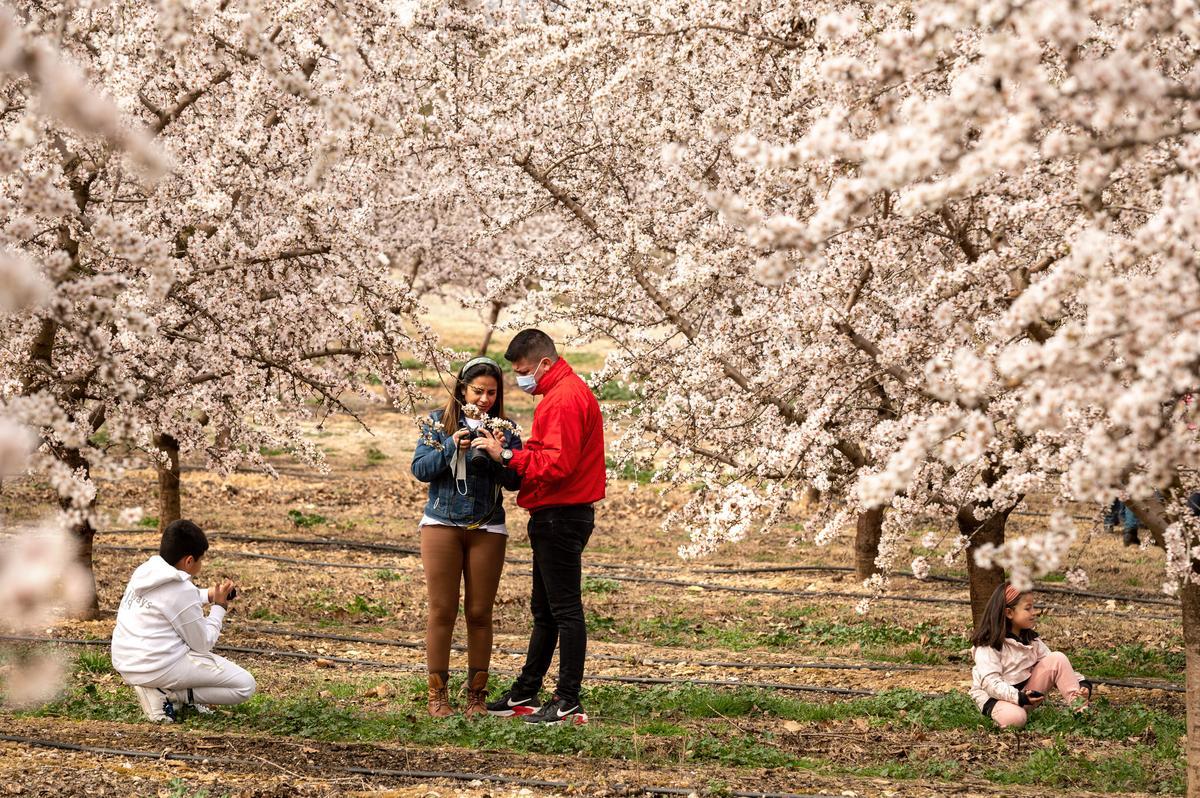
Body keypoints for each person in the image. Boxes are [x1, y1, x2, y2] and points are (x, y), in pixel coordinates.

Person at [471, 329, 606, 725]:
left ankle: (567, 700)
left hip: (560, 515)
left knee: (564, 611)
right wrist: (517, 451)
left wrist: (508, 454)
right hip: (558, 513)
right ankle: (527, 692)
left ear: (545, 363)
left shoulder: (563, 399)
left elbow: (558, 465)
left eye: (524, 371)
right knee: (545, 610)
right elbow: (547, 452)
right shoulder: (563, 394)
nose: (520, 379)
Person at [411, 356, 522, 717]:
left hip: (487, 526)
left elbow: (517, 480)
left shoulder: (506, 428)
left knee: (479, 612)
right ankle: (437, 695)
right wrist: (449, 448)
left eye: (492, 392)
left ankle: (476, 695)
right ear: (461, 389)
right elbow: (420, 470)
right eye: (478, 391)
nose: (485, 399)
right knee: (442, 610)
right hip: (441, 523)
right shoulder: (436, 422)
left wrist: (498, 452)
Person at [111, 519, 254, 722]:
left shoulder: (146, 571)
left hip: (127, 660)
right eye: (200, 560)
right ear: (189, 561)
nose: (201, 564)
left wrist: (210, 595)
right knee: (245, 685)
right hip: (157, 666)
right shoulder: (182, 590)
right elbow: (203, 644)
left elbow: (173, 601)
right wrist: (219, 608)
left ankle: (164, 691)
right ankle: (170, 695)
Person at [969, 582, 1091, 728]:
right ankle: (1000, 715)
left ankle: (1081, 712)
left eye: (1033, 607)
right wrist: (1018, 697)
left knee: (1058, 658)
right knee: (1016, 719)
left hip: (1025, 697)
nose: (1034, 612)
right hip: (994, 698)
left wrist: (1082, 684)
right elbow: (990, 684)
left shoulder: (1031, 640)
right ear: (1009, 613)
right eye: (1028, 608)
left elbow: (1055, 664)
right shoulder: (988, 645)